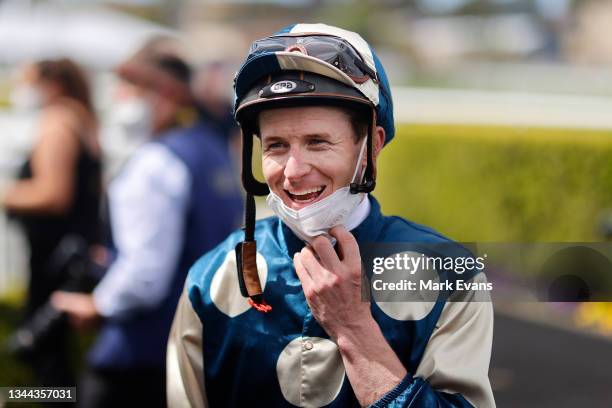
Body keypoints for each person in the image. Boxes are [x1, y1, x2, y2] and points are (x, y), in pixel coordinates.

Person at [167, 23, 495, 408]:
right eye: (275, 145)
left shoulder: (452, 276)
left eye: (317, 142)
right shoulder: (211, 277)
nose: (292, 171)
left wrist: (353, 328)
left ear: (370, 146)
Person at [51, 41, 243, 406]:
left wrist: (97, 305)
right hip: (199, 347)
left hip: (139, 357)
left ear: (164, 94)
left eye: (129, 87)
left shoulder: (156, 162)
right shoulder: (213, 148)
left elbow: (144, 276)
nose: (120, 97)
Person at [1, 58, 102, 387]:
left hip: (52, 254)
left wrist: (7, 193)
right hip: (71, 252)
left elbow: (53, 193)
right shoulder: (81, 117)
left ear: (52, 83)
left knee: (45, 357)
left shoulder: (57, 120)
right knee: (56, 353)